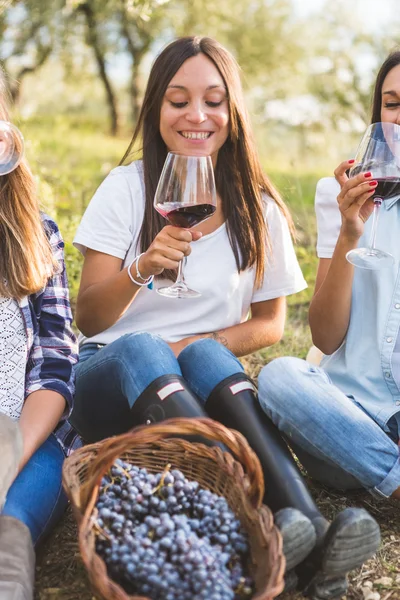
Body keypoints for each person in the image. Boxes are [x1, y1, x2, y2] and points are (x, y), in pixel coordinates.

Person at [69, 36, 379, 599]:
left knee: (209, 351)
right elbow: (88, 319)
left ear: (232, 114)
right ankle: (255, 517)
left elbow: (270, 324)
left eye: (213, 100)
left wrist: (192, 344)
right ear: (155, 108)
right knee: (142, 346)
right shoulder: (125, 189)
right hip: (110, 382)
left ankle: (307, 527)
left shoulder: (256, 208)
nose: (196, 115)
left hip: (186, 383)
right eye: (178, 99)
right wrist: (139, 268)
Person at [258, 51, 400, 594]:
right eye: (392, 104)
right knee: (278, 377)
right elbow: (324, 336)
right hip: (347, 423)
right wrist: (348, 234)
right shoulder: (338, 197)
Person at [0, 75, 79, 599]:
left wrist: (10, 456)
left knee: (8, 529)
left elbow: (54, 365)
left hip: (28, 434)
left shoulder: (35, 236)